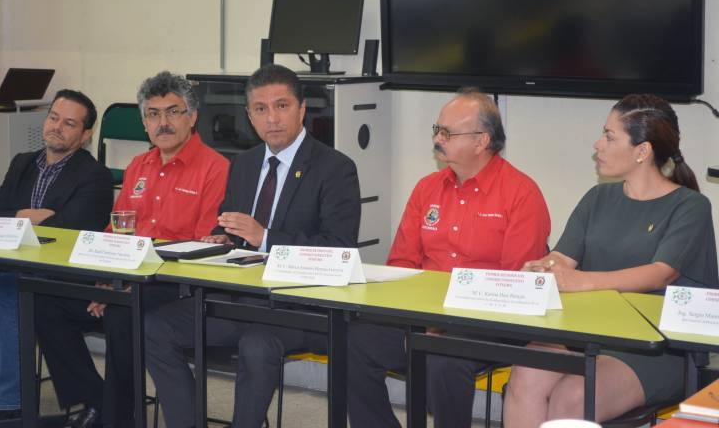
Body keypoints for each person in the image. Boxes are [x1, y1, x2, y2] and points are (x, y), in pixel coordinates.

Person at [145, 64, 361, 428]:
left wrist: (266, 238)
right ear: (249, 116)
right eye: (261, 109)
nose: (271, 118)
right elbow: (230, 223)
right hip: (239, 298)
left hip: (297, 305)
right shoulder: (244, 164)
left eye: (282, 106)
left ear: (302, 109)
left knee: (257, 345)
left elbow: (340, 248)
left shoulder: (335, 168)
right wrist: (221, 237)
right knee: (153, 326)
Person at [504, 94, 719, 427]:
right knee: (525, 375)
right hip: (588, 333)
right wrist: (544, 267)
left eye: (609, 136)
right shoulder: (597, 197)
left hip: (656, 347)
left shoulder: (690, 206)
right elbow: (562, 258)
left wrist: (581, 281)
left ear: (642, 151)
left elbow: (660, 273)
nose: (597, 145)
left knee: (574, 395)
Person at [347, 88, 551, 428]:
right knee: (353, 339)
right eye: (436, 130)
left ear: (481, 140)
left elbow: (517, 284)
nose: (437, 139)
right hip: (424, 314)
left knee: (443, 356)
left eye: (447, 133)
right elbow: (402, 264)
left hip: (489, 319)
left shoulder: (521, 193)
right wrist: (420, 318)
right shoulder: (426, 188)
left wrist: (443, 324)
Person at [35, 72, 229, 428]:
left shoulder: (215, 168)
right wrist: (107, 279)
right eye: (153, 114)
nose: (163, 122)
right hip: (125, 277)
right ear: (144, 123)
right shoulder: (139, 165)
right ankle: (97, 401)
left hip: (174, 285)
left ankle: (118, 420)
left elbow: (201, 248)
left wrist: (124, 286)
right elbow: (116, 230)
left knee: (122, 314)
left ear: (192, 117)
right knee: (46, 301)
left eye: (173, 112)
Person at [0, 89, 114, 421]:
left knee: (9, 291)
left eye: (69, 123)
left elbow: (69, 228)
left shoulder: (95, 175)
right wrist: (28, 216)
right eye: (53, 118)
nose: (56, 127)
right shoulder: (22, 162)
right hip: (16, 264)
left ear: (86, 134)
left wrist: (18, 218)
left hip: (65, 275)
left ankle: (10, 403)